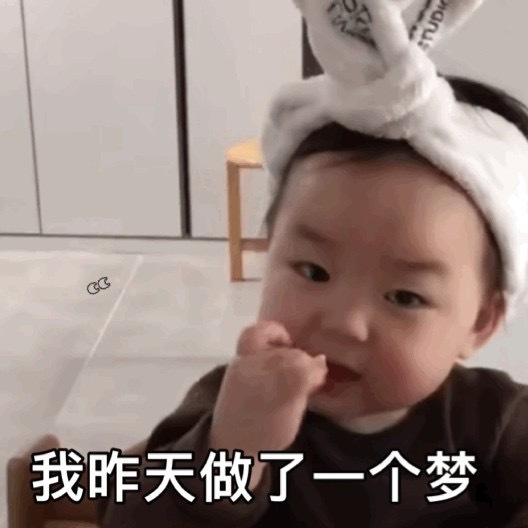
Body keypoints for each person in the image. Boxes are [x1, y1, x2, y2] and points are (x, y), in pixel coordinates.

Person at [98, 1, 528, 526]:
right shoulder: (231, 405)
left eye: (405, 297)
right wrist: (233, 453)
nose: (343, 323)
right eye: (313, 272)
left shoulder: (498, 424)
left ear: (481, 322)